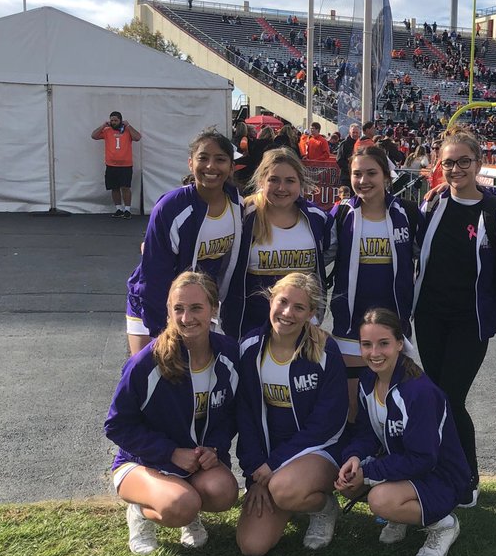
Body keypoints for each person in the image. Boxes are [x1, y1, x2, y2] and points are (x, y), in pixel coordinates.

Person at [105, 271, 239, 556]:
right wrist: (169, 452)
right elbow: (116, 425)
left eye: (196, 308)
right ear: (169, 311)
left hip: (194, 463)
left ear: (213, 309)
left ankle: (185, 506)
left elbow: (232, 413)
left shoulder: (229, 355)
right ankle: (141, 511)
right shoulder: (147, 363)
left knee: (225, 492)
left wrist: (214, 447)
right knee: (181, 505)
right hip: (142, 462)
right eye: (178, 308)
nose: (187, 317)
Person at [335, 308, 470, 556]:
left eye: (383, 343)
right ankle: (401, 515)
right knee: (350, 483)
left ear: (399, 343)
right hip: (407, 466)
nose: (374, 353)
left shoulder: (419, 393)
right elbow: (366, 432)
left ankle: (443, 524)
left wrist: (370, 471)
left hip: (441, 476)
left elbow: (423, 459)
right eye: (367, 345)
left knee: (380, 500)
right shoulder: (367, 380)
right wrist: (354, 457)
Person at [413, 130, 496, 505]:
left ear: (478, 163)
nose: (456, 169)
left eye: (464, 161)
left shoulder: (495, 210)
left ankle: (468, 474)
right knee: (435, 396)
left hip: (470, 320)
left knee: (451, 396)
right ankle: (440, 467)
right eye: (448, 162)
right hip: (430, 316)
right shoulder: (432, 204)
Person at [236, 272, 348, 556]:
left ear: (311, 313)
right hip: (270, 465)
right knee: (252, 546)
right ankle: (287, 494)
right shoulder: (250, 348)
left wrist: (273, 465)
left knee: (285, 489)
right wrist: (255, 474)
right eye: (282, 302)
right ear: (271, 299)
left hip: (318, 450)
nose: (287, 313)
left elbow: (327, 423)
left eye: (299, 307)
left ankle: (323, 508)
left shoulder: (325, 350)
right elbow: (246, 415)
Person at [125, 128, 244, 356]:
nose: (211, 166)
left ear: (231, 167)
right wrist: (162, 330)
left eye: (220, 159)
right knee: (149, 372)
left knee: (193, 378)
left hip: (198, 307)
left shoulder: (238, 205)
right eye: (203, 158)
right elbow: (154, 278)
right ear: (191, 163)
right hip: (152, 306)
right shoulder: (171, 207)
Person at [324, 144, 418, 413]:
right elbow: (318, 257)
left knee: (390, 404)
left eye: (371, 173)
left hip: (393, 323)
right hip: (350, 324)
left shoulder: (407, 214)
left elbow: (429, 257)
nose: (363, 181)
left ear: (386, 176)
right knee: (352, 407)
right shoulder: (341, 214)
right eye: (357, 174)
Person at [229, 148, 328, 337]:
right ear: (261, 181)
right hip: (253, 329)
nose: (281, 188)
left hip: (303, 328)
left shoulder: (317, 218)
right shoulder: (243, 218)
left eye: (290, 181)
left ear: (301, 183)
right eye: (273, 180)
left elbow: (329, 253)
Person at [91, 111, 141, 217]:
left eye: (116, 120)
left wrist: (129, 125)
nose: (113, 122)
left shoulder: (127, 130)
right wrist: (103, 125)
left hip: (125, 165)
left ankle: (127, 210)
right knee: (114, 188)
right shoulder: (107, 130)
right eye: (112, 120)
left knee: (125, 187)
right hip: (111, 165)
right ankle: (118, 209)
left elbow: (138, 137)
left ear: (120, 121)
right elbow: (94, 136)